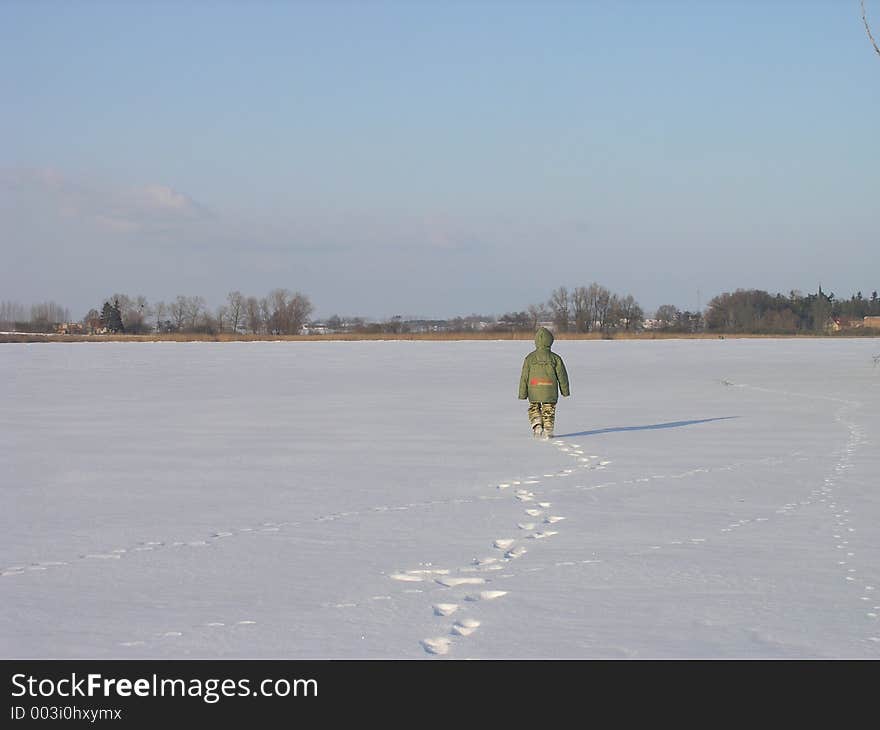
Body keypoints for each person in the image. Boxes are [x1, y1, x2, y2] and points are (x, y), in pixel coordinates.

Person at [518, 326, 570, 439]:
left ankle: (537, 424)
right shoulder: (556, 358)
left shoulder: (530, 358)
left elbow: (524, 377)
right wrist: (565, 391)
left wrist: (522, 394)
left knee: (534, 407)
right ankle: (548, 428)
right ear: (550, 341)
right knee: (548, 409)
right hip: (550, 390)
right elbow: (562, 376)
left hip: (534, 389)